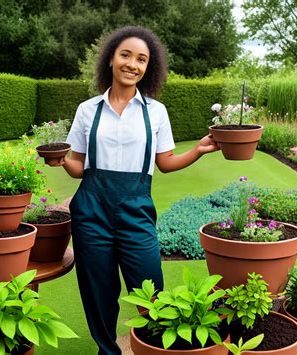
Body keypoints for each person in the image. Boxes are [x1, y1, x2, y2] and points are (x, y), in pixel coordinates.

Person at [45, 26, 219, 354]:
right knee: (98, 289)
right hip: (91, 209)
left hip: (136, 207)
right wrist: (61, 162)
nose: (132, 64)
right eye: (126, 55)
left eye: (141, 59)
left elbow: (165, 162)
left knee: (149, 284)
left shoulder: (156, 112)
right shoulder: (88, 110)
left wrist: (197, 150)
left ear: (147, 68)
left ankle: (153, 345)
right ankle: (106, 350)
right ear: (111, 59)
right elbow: (79, 166)